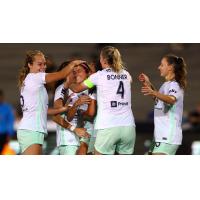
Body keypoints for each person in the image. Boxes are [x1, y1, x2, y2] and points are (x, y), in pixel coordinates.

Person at [17, 50, 89, 155]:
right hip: (31, 130)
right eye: (39, 64)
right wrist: (74, 63)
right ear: (29, 65)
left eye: (44, 64)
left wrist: (63, 109)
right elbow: (61, 74)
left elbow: (43, 110)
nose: (43, 67)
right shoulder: (35, 77)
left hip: (31, 130)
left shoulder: (31, 80)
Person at [69, 46, 136, 155]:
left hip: (108, 126)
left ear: (104, 60)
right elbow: (129, 81)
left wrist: (67, 82)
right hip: (128, 126)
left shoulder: (98, 76)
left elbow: (77, 88)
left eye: (100, 57)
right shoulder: (126, 74)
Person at [139, 54, 187, 155]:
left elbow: (171, 99)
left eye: (162, 65)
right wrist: (148, 83)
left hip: (168, 136)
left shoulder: (175, 84)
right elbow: (159, 100)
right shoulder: (166, 84)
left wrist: (154, 92)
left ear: (170, 67)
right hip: (159, 135)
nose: (159, 67)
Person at [53, 62, 96, 155]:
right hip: (68, 140)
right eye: (73, 71)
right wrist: (75, 129)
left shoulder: (90, 90)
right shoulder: (62, 89)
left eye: (78, 71)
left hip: (84, 137)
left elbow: (91, 115)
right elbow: (55, 117)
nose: (75, 73)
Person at [0, 89, 15, 154]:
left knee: (3, 152)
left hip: (3, 135)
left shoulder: (7, 107)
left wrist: (9, 133)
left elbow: (10, 121)